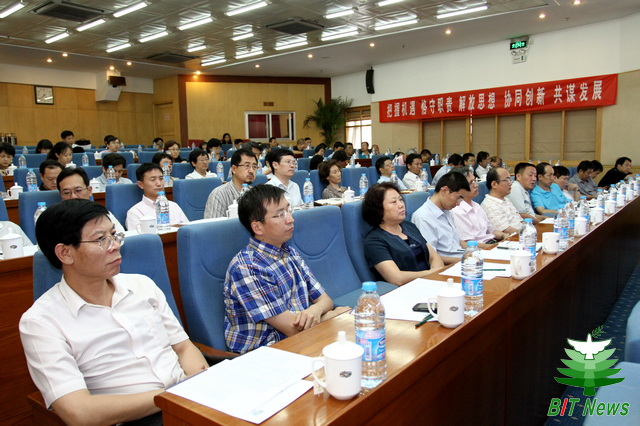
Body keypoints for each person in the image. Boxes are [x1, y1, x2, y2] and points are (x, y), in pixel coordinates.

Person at [20, 199, 207, 426]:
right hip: (136, 419)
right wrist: (175, 396)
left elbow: (183, 347)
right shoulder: (41, 322)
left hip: (190, 402)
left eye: (114, 235)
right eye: (101, 240)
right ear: (65, 253)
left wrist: (198, 387)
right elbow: (79, 412)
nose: (115, 245)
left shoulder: (142, 285)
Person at [224, 185, 347, 354]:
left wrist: (315, 310)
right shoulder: (247, 267)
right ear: (257, 228)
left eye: (289, 210)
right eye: (280, 214)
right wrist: (331, 316)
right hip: (266, 353)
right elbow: (292, 329)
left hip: (300, 338)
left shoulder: (289, 252)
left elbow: (325, 300)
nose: (290, 219)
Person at [363, 182, 444, 285]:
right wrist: (431, 273)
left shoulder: (409, 226)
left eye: (401, 200)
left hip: (432, 281)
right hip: (405, 289)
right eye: (394, 202)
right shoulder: (374, 241)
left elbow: (434, 257)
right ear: (378, 208)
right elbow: (397, 278)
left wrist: (437, 274)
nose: (401, 205)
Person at [411, 171, 470, 264]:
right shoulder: (423, 217)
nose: (458, 203)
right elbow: (430, 257)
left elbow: (458, 243)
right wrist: (464, 260)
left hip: (460, 259)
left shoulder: (447, 211)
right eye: (458, 198)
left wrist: (477, 252)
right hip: (447, 265)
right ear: (444, 190)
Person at [450, 167, 509, 247]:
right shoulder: (457, 211)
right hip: (479, 249)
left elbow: (492, 231)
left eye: (475, 181)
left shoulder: (476, 205)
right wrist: (495, 247)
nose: (476, 185)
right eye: (471, 183)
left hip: (491, 243)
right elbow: (467, 244)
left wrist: (504, 236)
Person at [57, 167, 125, 233]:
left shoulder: (104, 214)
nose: (73, 196)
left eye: (78, 190)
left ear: (89, 191)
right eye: (66, 192)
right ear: (60, 195)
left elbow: (121, 236)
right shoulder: (56, 219)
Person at [126, 163, 189, 230]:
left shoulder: (173, 206)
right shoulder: (135, 212)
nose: (159, 184)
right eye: (153, 179)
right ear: (140, 184)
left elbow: (188, 230)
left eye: (161, 179)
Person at [204, 148, 257, 218]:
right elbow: (212, 224)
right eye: (247, 166)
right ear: (234, 169)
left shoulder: (256, 194)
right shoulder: (219, 194)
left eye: (254, 166)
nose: (251, 171)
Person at [481, 167, 524, 234]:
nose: (510, 183)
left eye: (510, 180)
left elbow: (521, 221)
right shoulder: (490, 205)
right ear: (494, 184)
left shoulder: (506, 200)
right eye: (507, 180)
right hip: (512, 238)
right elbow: (506, 230)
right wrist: (525, 234)